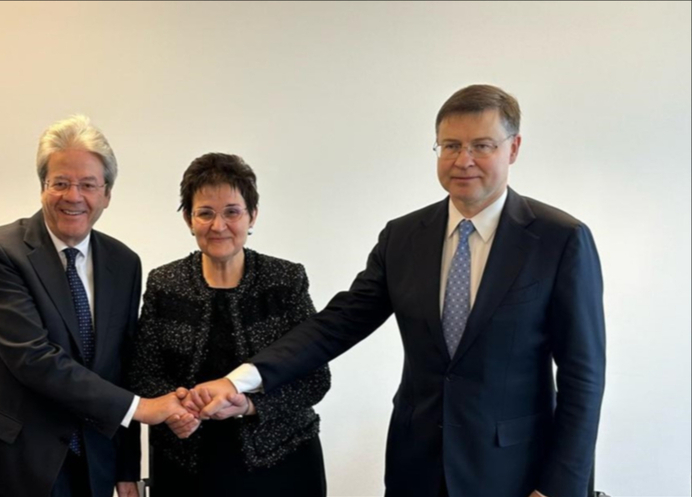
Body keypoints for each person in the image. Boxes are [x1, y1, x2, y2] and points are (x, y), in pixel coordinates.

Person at [190, 85, 606, 497]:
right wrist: (240, 380)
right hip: (416, 468)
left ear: (513, 148)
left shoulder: (559, 239)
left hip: (513, 472)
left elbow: (583, 376)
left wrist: (559, 488)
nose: (463, 160)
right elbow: (337, 324)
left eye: (482, 145)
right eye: (450, 145)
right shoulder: (404, 237)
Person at [0, 115, 189, 497]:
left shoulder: (124, 263)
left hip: (94, 463)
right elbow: (33, 358)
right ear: (43, 187)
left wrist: (126, 468)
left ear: (107, 194)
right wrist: (141, 408)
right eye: (60, 183)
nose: (73, 196)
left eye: (88, 185)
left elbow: (123, 366)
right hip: (15, 463)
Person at [129, 153, 330, 497]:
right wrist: (178, 405)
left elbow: (315, 378)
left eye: (232, 212)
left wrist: (251, 405)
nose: (218, 225)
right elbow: (142, 373)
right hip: (185, 462)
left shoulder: (285, 280)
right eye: (205, 213)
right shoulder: (165, 283)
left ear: (252, 215)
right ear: (189, 219)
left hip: (282, 461)